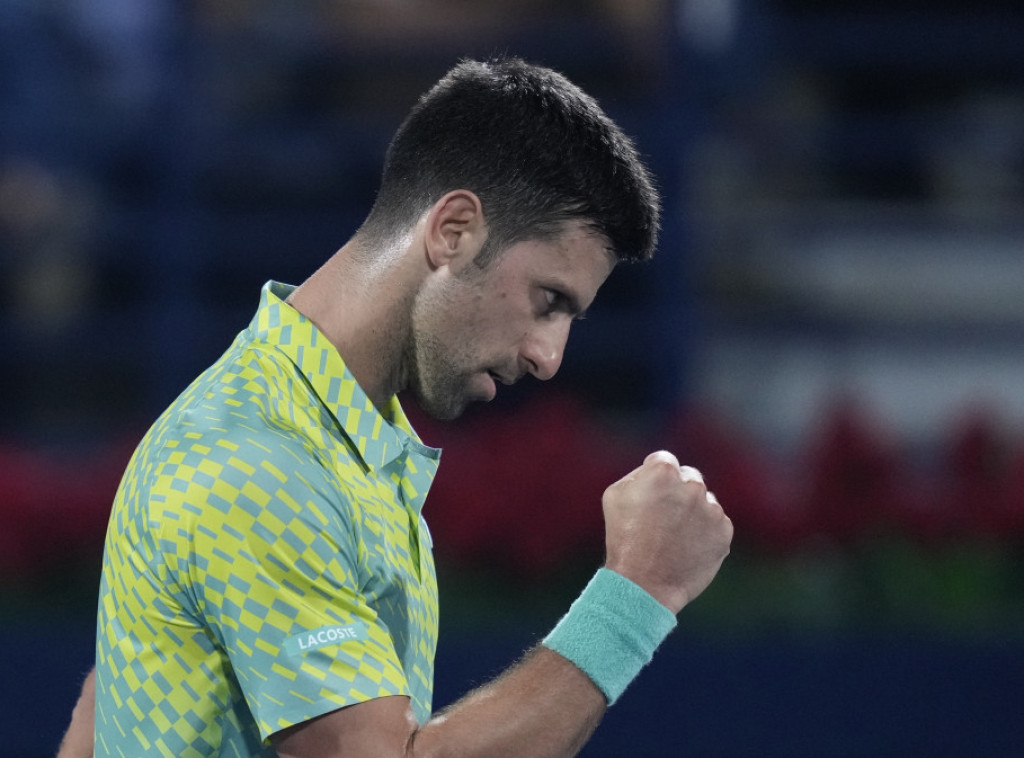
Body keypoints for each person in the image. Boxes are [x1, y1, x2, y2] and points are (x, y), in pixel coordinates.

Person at [56, 57, 733, 758]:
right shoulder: (255, 466)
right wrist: (635, 593)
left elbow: (108, 707)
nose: (548, 356)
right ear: (454, 230)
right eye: (549, 300)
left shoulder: (320, 433)